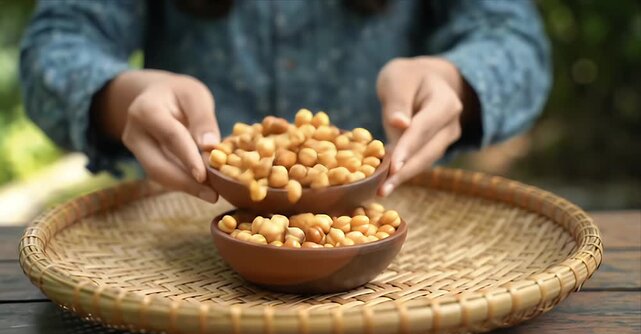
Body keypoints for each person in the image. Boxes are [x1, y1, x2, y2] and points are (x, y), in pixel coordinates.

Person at [20, 0, 550, 204]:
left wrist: (453, 79)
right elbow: (57, 41)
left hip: (396, 240)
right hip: (179, 240)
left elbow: (516, 40)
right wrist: (121, 97)